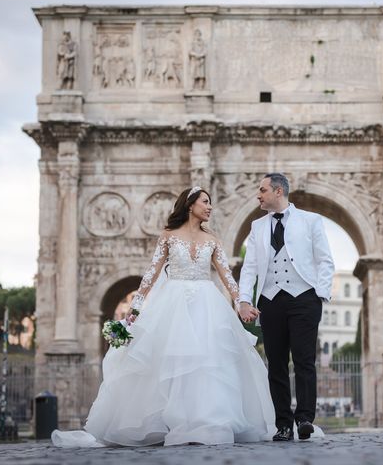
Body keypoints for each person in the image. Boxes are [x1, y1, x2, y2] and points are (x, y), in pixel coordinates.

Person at [52, 187, 276, 447]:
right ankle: (174, 420)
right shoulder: (168, 236)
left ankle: (207, 419)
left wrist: (241, 303)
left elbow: (227, 275)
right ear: (190, 205)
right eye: (205, 202)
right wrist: (134, 309)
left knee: (208, 361)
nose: (210, 207)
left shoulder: (213, 239)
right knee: (172, 362)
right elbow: (151, 274)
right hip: (174, 303)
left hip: (207, 303)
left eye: (211, 202)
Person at [238, 173, 335, 441]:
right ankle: (283, 424)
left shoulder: (311, 220)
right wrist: (244, 299)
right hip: (270, 300)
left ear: (278, 191)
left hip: (304, 298)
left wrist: (320, 295)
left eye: (262, 189)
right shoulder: (257, 227)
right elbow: (250, 268)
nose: (258, 194)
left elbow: (325, 261)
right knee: (276, 364)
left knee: (305, 361)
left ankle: (304, 419)